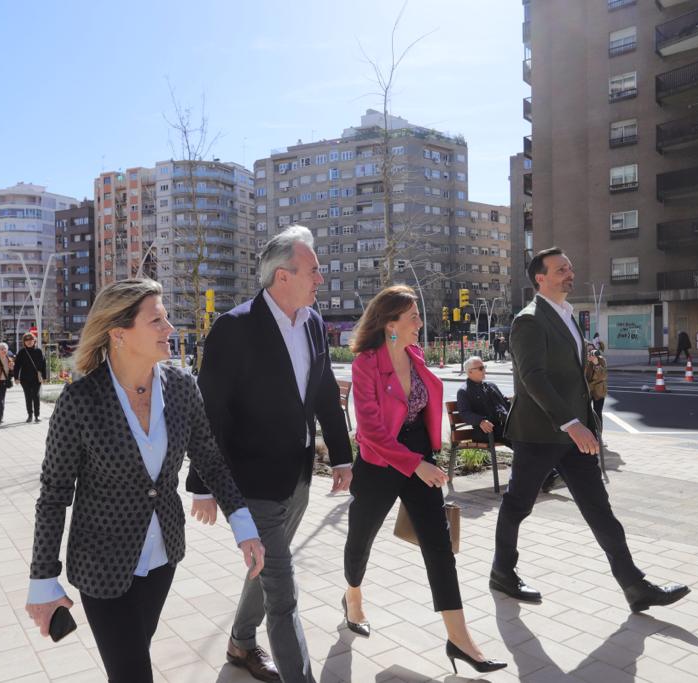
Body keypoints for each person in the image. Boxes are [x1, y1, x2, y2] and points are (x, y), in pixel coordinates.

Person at [25, 279, 265, 683]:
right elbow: (53, 496)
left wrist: (244, 528)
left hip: (162, 557)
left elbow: (208, 457)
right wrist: (42, 579)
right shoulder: (81, 401)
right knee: (133, 672)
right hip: (102, 565)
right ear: (119, 333)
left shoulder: (182, 388)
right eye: (157, 320)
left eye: (166, 318)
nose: (170, 328)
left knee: (132, 658)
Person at [186, 225, 352, 683]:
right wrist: (202, 486)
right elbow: (209, 411)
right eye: (314, 270)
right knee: (283, 591)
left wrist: (341, 456)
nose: (320, 278)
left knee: (264, 567)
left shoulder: (314, 323)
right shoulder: (234, 328)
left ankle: (241, 643)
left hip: (297, 478)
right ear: (283, 275)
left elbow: (322, 394)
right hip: (251, 482)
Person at [490, 247, 690, 614]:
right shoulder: (529, 319)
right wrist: (571, 423)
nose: (570, 273)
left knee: (599, 509)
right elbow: (532, 377)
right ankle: (502, 571)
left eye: (570, 267)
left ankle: (634, 585)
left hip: (574, 434)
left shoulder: (566, 315)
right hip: (539, 433)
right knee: (518, 505)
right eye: (561, 269)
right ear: (541, 278)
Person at [345, 287, 506, 675]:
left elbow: (423, 408)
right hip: (380, 462)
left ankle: (459, 639)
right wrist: (416, 463)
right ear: (390, 324)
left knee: (439, 547)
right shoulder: (365, 364)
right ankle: (352, 596)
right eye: (413, 316)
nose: (420, 323)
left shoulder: (415, 356)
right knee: (361, 536)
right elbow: (371, 432)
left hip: (420, 456)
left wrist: (427, 455)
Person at [456, 356, 512, 447]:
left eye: (484, 367)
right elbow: (465, 413)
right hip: (485, 431)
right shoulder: (464, 391)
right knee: (518, 438)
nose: (484, 371)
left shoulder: (491, 386)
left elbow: (506, 403)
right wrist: (481, 421)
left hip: (503, 427)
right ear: (470, 372)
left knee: (527, 433)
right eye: (481, 368)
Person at [14, 333, 47, 423]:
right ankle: (30, 415)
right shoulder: (21, 352)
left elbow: (44, 365)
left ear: (34, 341)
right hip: (25, 379)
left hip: (37, 378)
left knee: (36, 396)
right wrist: (16, 377)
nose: (29, 342)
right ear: (24, 342)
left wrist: (44, 377)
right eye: (26, 340)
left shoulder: (39, 351)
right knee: (28, 397)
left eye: (30, 340)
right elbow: (17, 366)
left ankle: (37, 415)